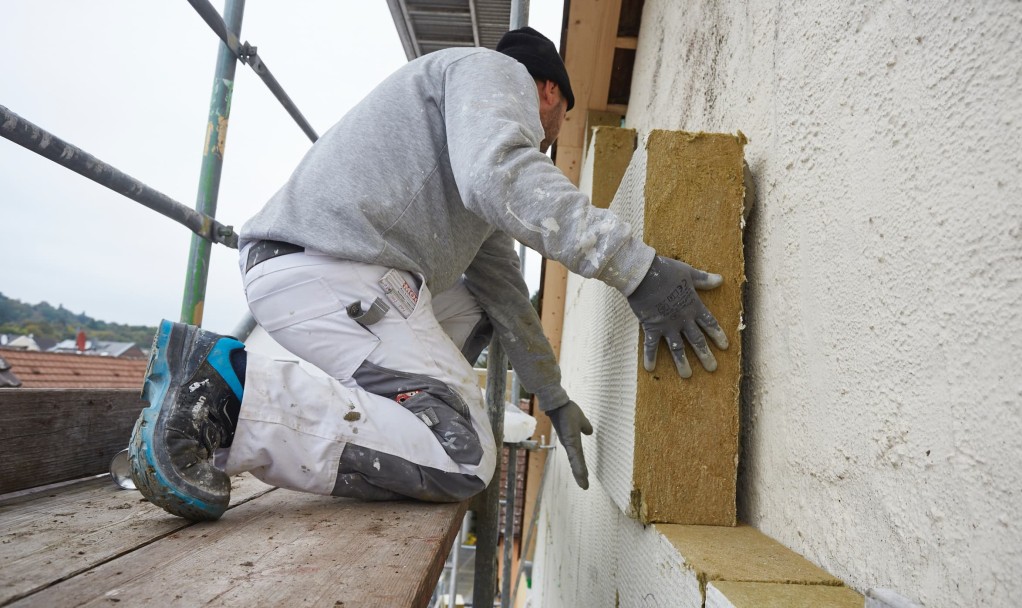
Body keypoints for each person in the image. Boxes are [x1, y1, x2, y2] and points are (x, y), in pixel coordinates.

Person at [128, 27, 730, 522]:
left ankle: (339, 405)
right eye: (563, 119)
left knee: (482, 310)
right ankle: (226, 400)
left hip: (324, 272)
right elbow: (500, 175)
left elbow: (506, 299)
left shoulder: (462, 154)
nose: (554, 138)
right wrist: (640, 272)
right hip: (331, 269)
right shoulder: (494, 73)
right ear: (547, 89)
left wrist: (553, 395)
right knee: (464, 459)